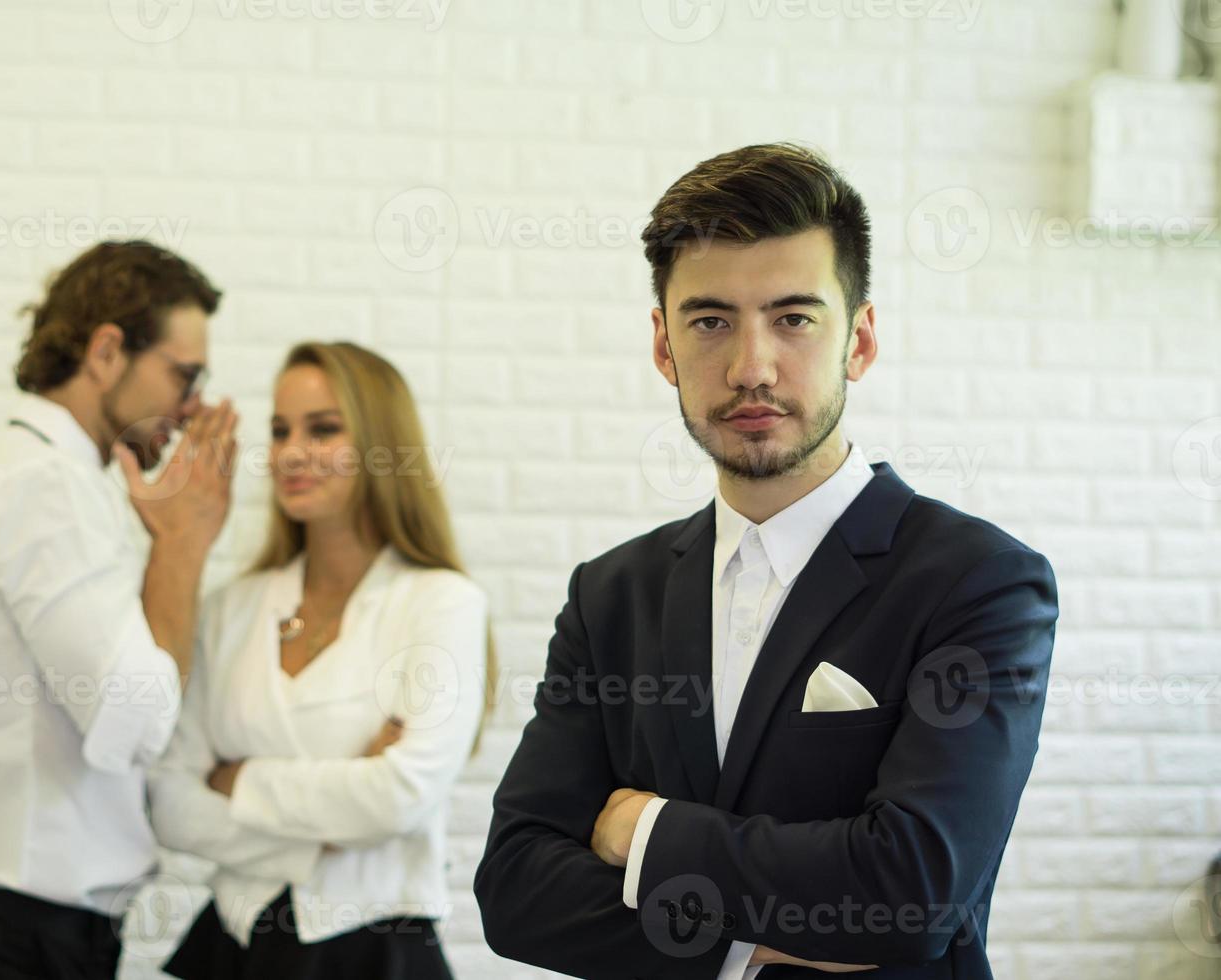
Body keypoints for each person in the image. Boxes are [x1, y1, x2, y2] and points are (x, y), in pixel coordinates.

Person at [474, 143, 1059, 979]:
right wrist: (752, 945)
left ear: (859, 340)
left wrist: (640, 831)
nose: (751, 367)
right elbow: (516, 889)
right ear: (663, 347)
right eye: (710, 321)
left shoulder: (979, 582)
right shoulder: (610, 595)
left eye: (794, 318)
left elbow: (913, 893)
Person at [0, 240, 239, 980]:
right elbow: (134, 719)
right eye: (184, 375)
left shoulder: (55, 478)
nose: (193, 407)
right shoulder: (43, 487)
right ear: (108, 350)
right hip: (10, 939)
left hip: (15, 933)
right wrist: (183, 541)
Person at [148, 341, 492, 980]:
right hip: (231, 949)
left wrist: (238, 780)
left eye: (324, 429)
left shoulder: (440, 603)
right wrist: (334, 824)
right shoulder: (231, 608)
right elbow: (169, 803)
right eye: (280, 431)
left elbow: (402, 795)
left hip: (377, 955)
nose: (291, 452)